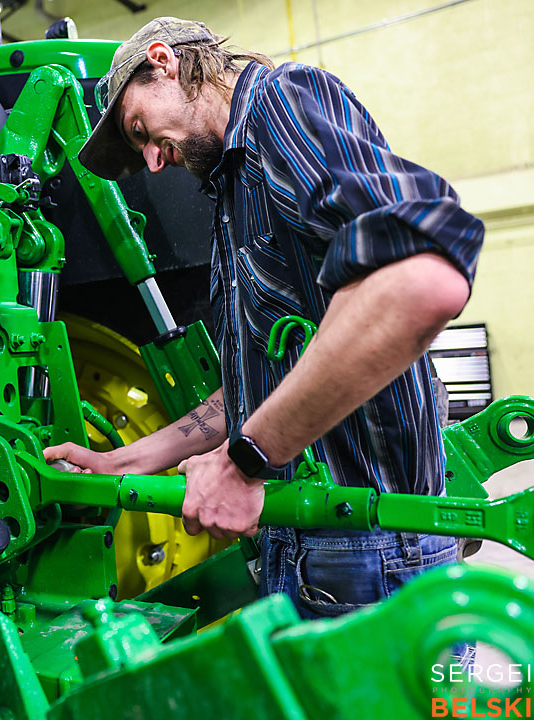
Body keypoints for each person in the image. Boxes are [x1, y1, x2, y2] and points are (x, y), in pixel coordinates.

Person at [44, 17, 485, 622]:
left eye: (140, 129)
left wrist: (241, 463)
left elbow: (418, 280)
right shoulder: (234, 191)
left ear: (163, 60)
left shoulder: (282, 103)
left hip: (369, 550)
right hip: (308, 548)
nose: (150, 161)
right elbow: (259, 386)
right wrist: (121, 462)